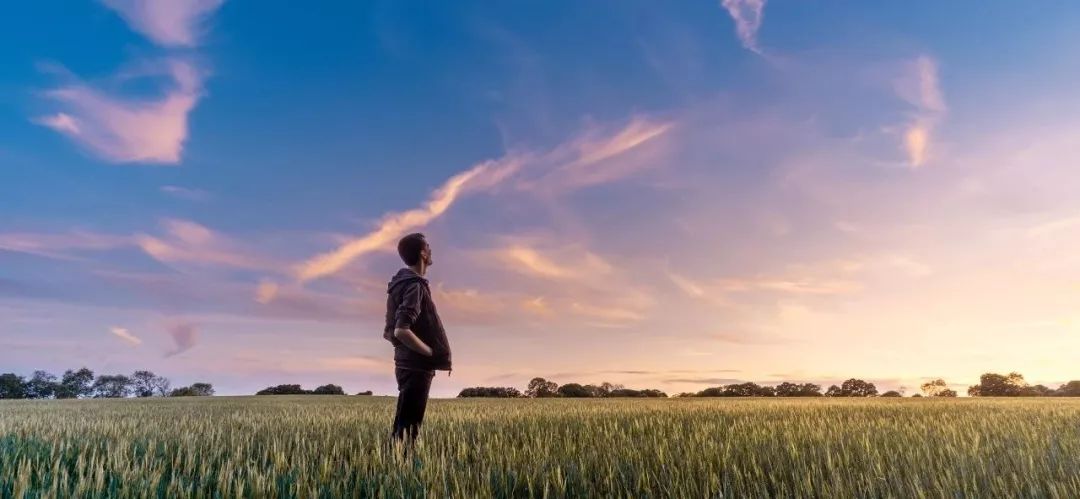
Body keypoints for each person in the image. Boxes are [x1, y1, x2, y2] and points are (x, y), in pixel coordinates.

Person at [383, 233, 453, 449]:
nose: (431, 250)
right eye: (428, 247)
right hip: (416, 366)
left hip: (406, 363)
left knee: (404, 426)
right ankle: (399, 474)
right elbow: (400, 330)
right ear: (423, 253)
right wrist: (430, 353)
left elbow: (390, 331)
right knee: (408, 430)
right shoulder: (414, 285)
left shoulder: (401, 284)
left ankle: (395, 468)